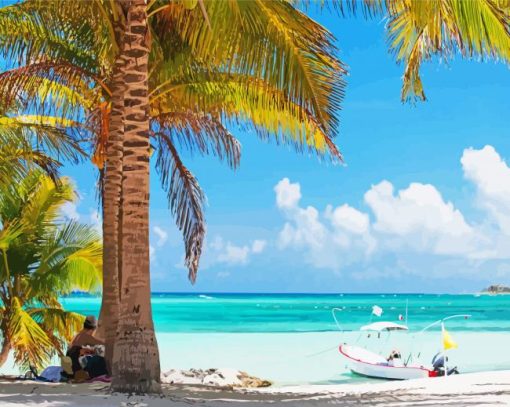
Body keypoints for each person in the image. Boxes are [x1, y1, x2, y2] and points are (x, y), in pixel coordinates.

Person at [66, 316, 108, 380]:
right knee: (99, 360)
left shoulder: (78, 335)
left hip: (69, 369)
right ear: (93, 329)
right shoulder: (86, 336)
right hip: (76, 370)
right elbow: (103, 343)